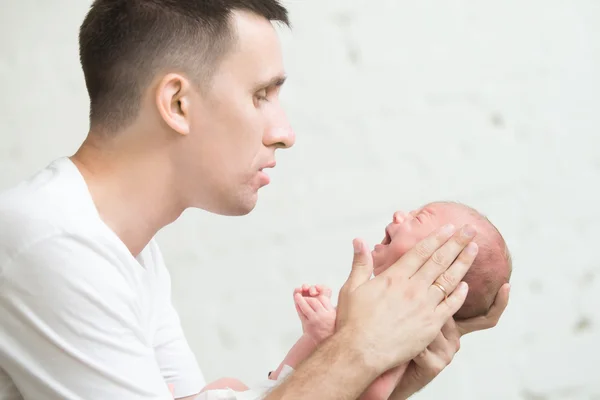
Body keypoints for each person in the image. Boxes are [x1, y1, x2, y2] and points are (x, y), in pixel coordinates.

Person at [0, 1, 510, 399]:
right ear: (177, 103)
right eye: (261, 95)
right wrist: (360, 349)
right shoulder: (53, 243)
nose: (285, 133)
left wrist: (389, 378)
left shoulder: (129, 255)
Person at [193, 201, 513, 399]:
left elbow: (370, 393)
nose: (400, 214)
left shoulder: (405, 337)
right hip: (273, 391)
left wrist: (332, 335)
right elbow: (304, 371)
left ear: (436, 263)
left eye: (418, 218)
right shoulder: (375, 308)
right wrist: (322, 333)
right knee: (226, 384)